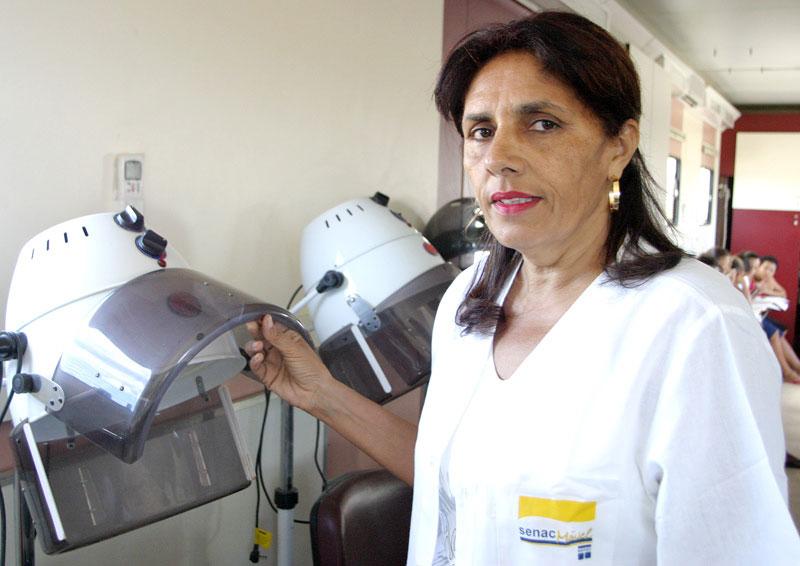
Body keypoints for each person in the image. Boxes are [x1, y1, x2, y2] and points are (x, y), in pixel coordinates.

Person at [245, 12, 800, 564]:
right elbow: (458, 482)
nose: (498, 159)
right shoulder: (467, 300)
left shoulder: (694, 324)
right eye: (481, 131)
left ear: (618, 146)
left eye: (542, 124)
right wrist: (321, 394)